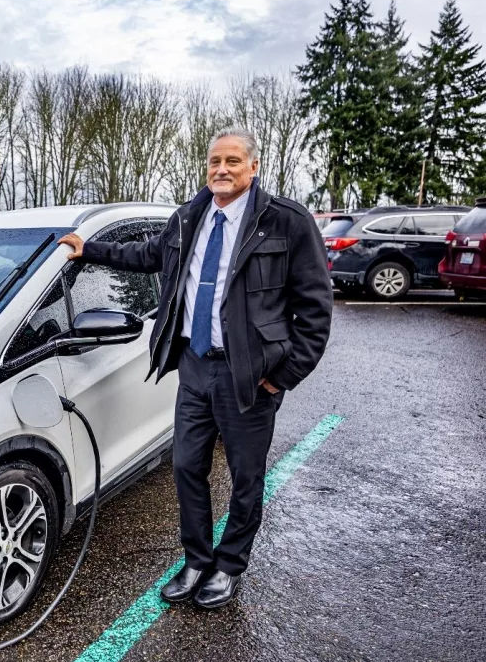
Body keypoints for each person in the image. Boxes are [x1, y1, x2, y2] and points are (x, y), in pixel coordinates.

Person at [58, 127, 332, 609]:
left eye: (231, 161)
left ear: (253, 166)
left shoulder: (286, 222)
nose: (221, 170)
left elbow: (314, 311)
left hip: (251, 376)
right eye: (214, 162)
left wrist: (281, 376)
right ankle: (196, 560)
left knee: (246, 476)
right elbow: (146, 255)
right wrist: (89, 248)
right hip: (195, 366)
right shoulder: (190, 216)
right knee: (187, 467)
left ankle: (229, 566)